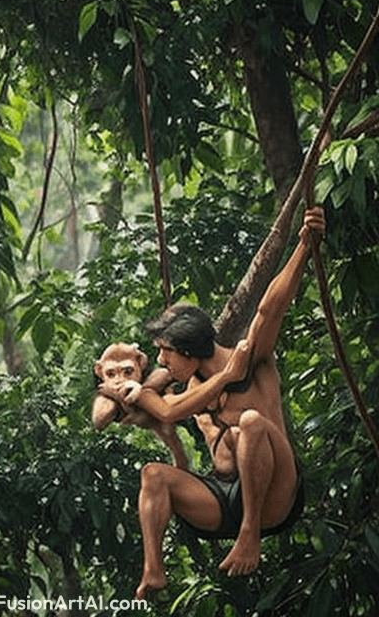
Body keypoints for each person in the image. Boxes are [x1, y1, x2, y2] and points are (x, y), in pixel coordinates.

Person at [125, 206, 325, 598]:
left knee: (249, 421)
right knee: (153, 474)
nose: (162, 361)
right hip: (222, 497)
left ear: (189, 348)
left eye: (166, 352)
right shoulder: (189, 386)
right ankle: (153, 572)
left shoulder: (251, 361)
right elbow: (162, 409)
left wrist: (304, 245)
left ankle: (251, 533)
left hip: (276, 494)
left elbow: (270, 308)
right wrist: (219, 378)